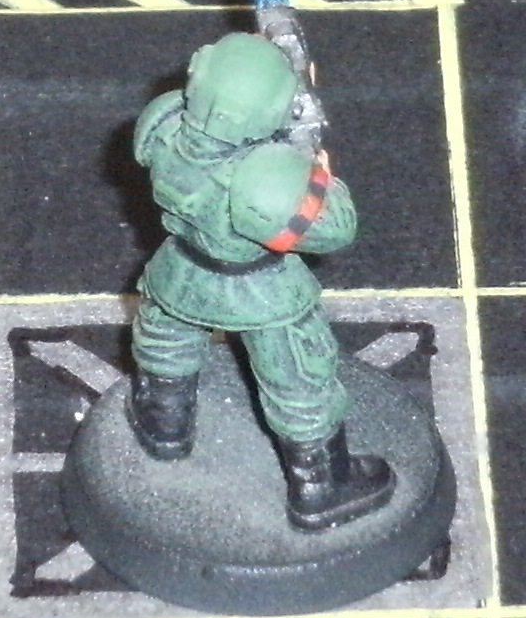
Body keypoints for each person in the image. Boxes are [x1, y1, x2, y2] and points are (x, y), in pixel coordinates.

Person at [128, 30, 392, 531]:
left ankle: (163, 425)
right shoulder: (266, 180)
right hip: (261, 293)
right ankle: (321, 487)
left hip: (180, 270)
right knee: (298, 381)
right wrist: (316, 176)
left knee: (164, 344)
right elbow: (337, 229)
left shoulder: (162, 123)